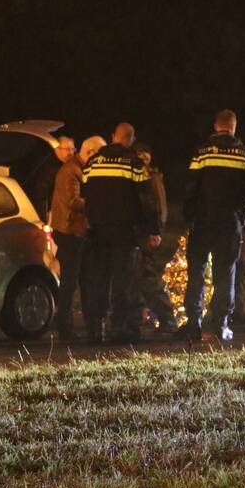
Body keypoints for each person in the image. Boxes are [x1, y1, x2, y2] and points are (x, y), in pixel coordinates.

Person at [179, 110, 245, 341]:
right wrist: (244, 217)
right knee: (225, 274)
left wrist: (191, 217)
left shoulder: (202, 153)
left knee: (196, 273)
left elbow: (189, 188)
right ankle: (220, 324)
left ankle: (194, 323)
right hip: (229, 224)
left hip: (202, 222)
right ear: (233, 127)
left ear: (216, 126)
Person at [81, 122, 161, 343]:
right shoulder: (134, 165)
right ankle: (120, 329)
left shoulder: (92, 163)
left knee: (99, 280)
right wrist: (152, 229)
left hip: (98, 232)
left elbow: (85, 194)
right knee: (124, 282)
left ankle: (96, 329)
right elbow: (147, 201)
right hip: (125, 233)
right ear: (131, 139)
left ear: (113, 136)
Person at [51, 135, 105, 340]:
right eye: (99, 155)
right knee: (70, 281)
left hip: (76, 230)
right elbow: (73, 201)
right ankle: (65, 327)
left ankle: (85, 325)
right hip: (71, 232)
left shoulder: (76, 168)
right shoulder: (71, 171)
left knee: (84, 279)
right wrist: (99, 201)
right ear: (90, 152)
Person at [133, 141, 179, 334]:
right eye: (139, 154)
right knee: (139, 277)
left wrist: (155, 232)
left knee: (148, 277)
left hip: (146, 234)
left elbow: (158, 207)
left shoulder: (151, 177)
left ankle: (167, 318)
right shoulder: (146, 176)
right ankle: (144, 317)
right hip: (142, 232)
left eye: (146, 153)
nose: (143, 157)